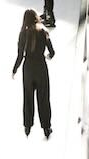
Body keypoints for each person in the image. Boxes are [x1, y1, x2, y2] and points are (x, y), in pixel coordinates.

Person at [12, 9, 56, 138]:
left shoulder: (23, 33)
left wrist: (14, 69)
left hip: (28, 68)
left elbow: (20, 55)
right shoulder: (43, 31)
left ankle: (27, 125)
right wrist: (48, 56)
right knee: (43, 98)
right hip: (41, 66)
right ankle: (46, 127)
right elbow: (52, 52)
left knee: (28, 97)